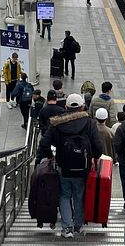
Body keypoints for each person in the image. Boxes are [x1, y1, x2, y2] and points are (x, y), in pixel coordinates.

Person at [36, 93, 103, 238]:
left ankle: (67, 228)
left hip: (63, 166)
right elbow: (98, 146)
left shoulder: (57, 123)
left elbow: (44, 143)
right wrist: (94, 157)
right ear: (82, 107)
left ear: (65, 107)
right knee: (79, 194)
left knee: (64, 195)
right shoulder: (89, 123)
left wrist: (50, 155)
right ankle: (78, 226)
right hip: (83, 167)